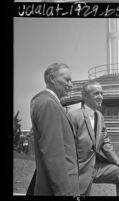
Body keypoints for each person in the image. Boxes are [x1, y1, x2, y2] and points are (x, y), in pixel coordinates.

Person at [69, 81, 119, 196]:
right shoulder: (73, 116)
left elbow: (105, 143)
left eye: (101, 93)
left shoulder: (100, 116)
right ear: (85, 96)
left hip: (97, 167)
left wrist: (117, 161)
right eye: (96, 93)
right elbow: (67, 148)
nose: (100, 96)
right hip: (80, 169)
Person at [27, 63, 79, 196]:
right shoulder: (48, 104)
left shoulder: (45, 101)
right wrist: (64, 192)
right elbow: (53, 154)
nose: (71, 84)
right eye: (66, 79)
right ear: (51, 78)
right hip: (60, 188)